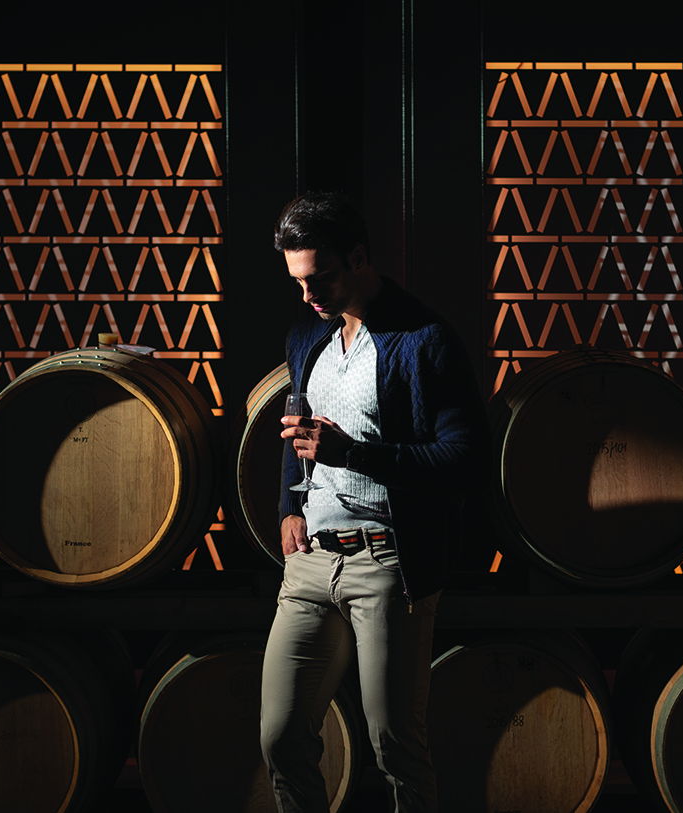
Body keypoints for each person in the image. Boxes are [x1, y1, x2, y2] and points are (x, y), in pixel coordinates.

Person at [260, 191, 488, 813]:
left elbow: (464, 458)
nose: (308, 294)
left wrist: (354, 454)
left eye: (320, 278)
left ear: (358, 256)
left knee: (394, 747)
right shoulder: (307, 333)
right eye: (298, 281)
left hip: (388, 562)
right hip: (310, 563)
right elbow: (296, 426)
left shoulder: (424, 339)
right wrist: (289, 505)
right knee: (280, 737)